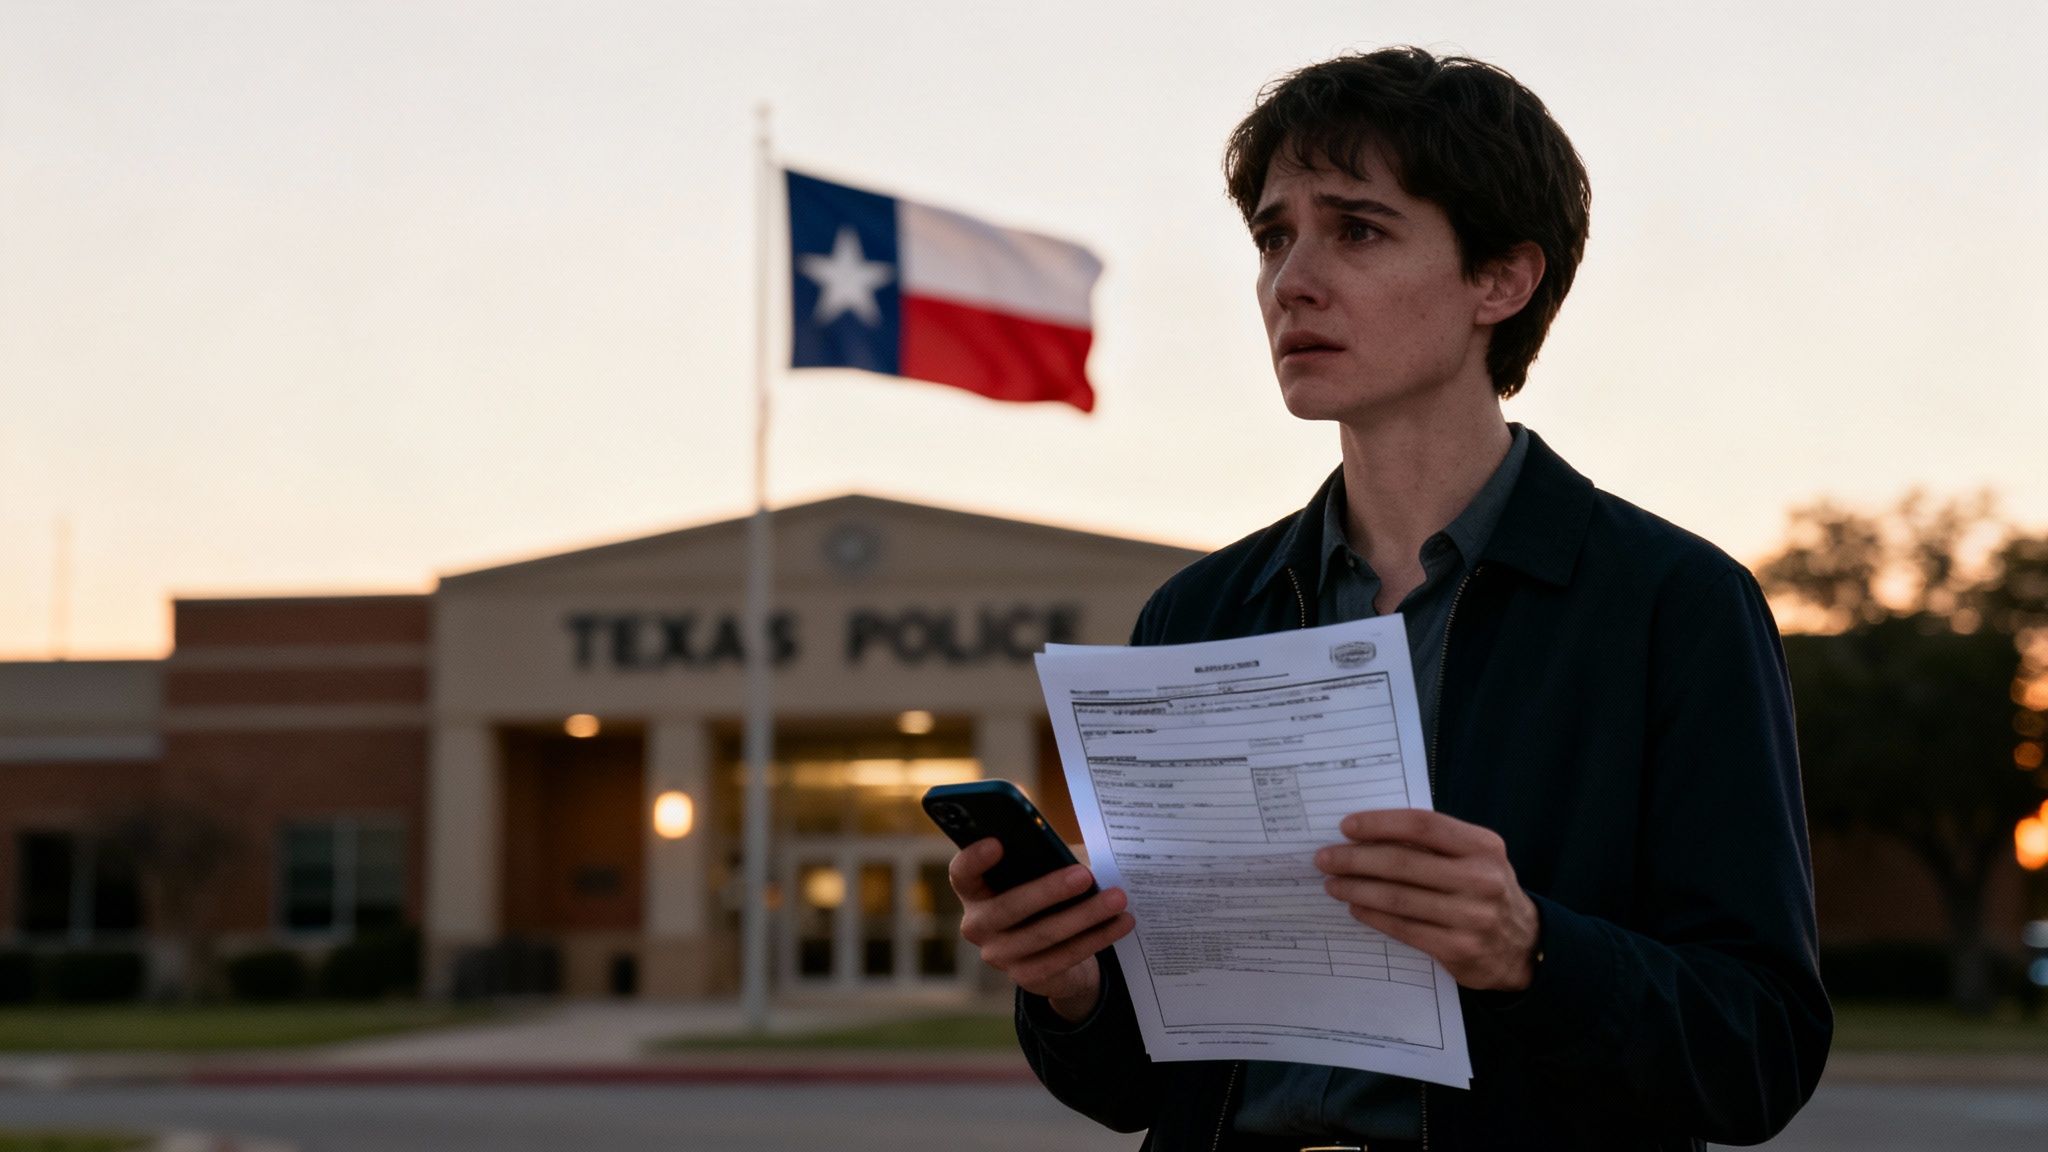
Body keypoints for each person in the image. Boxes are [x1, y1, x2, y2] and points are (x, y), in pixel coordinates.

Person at [947, 46, 1832, 1151]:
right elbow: (1141, 1086)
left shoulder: (1672, 603)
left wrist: (1530, 949)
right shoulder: (1198, 612)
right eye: (1273, 238)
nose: (1290, 280)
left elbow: (1759, 1053)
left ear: (1499, 280)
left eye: (1355, 229)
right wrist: (1072, 986)